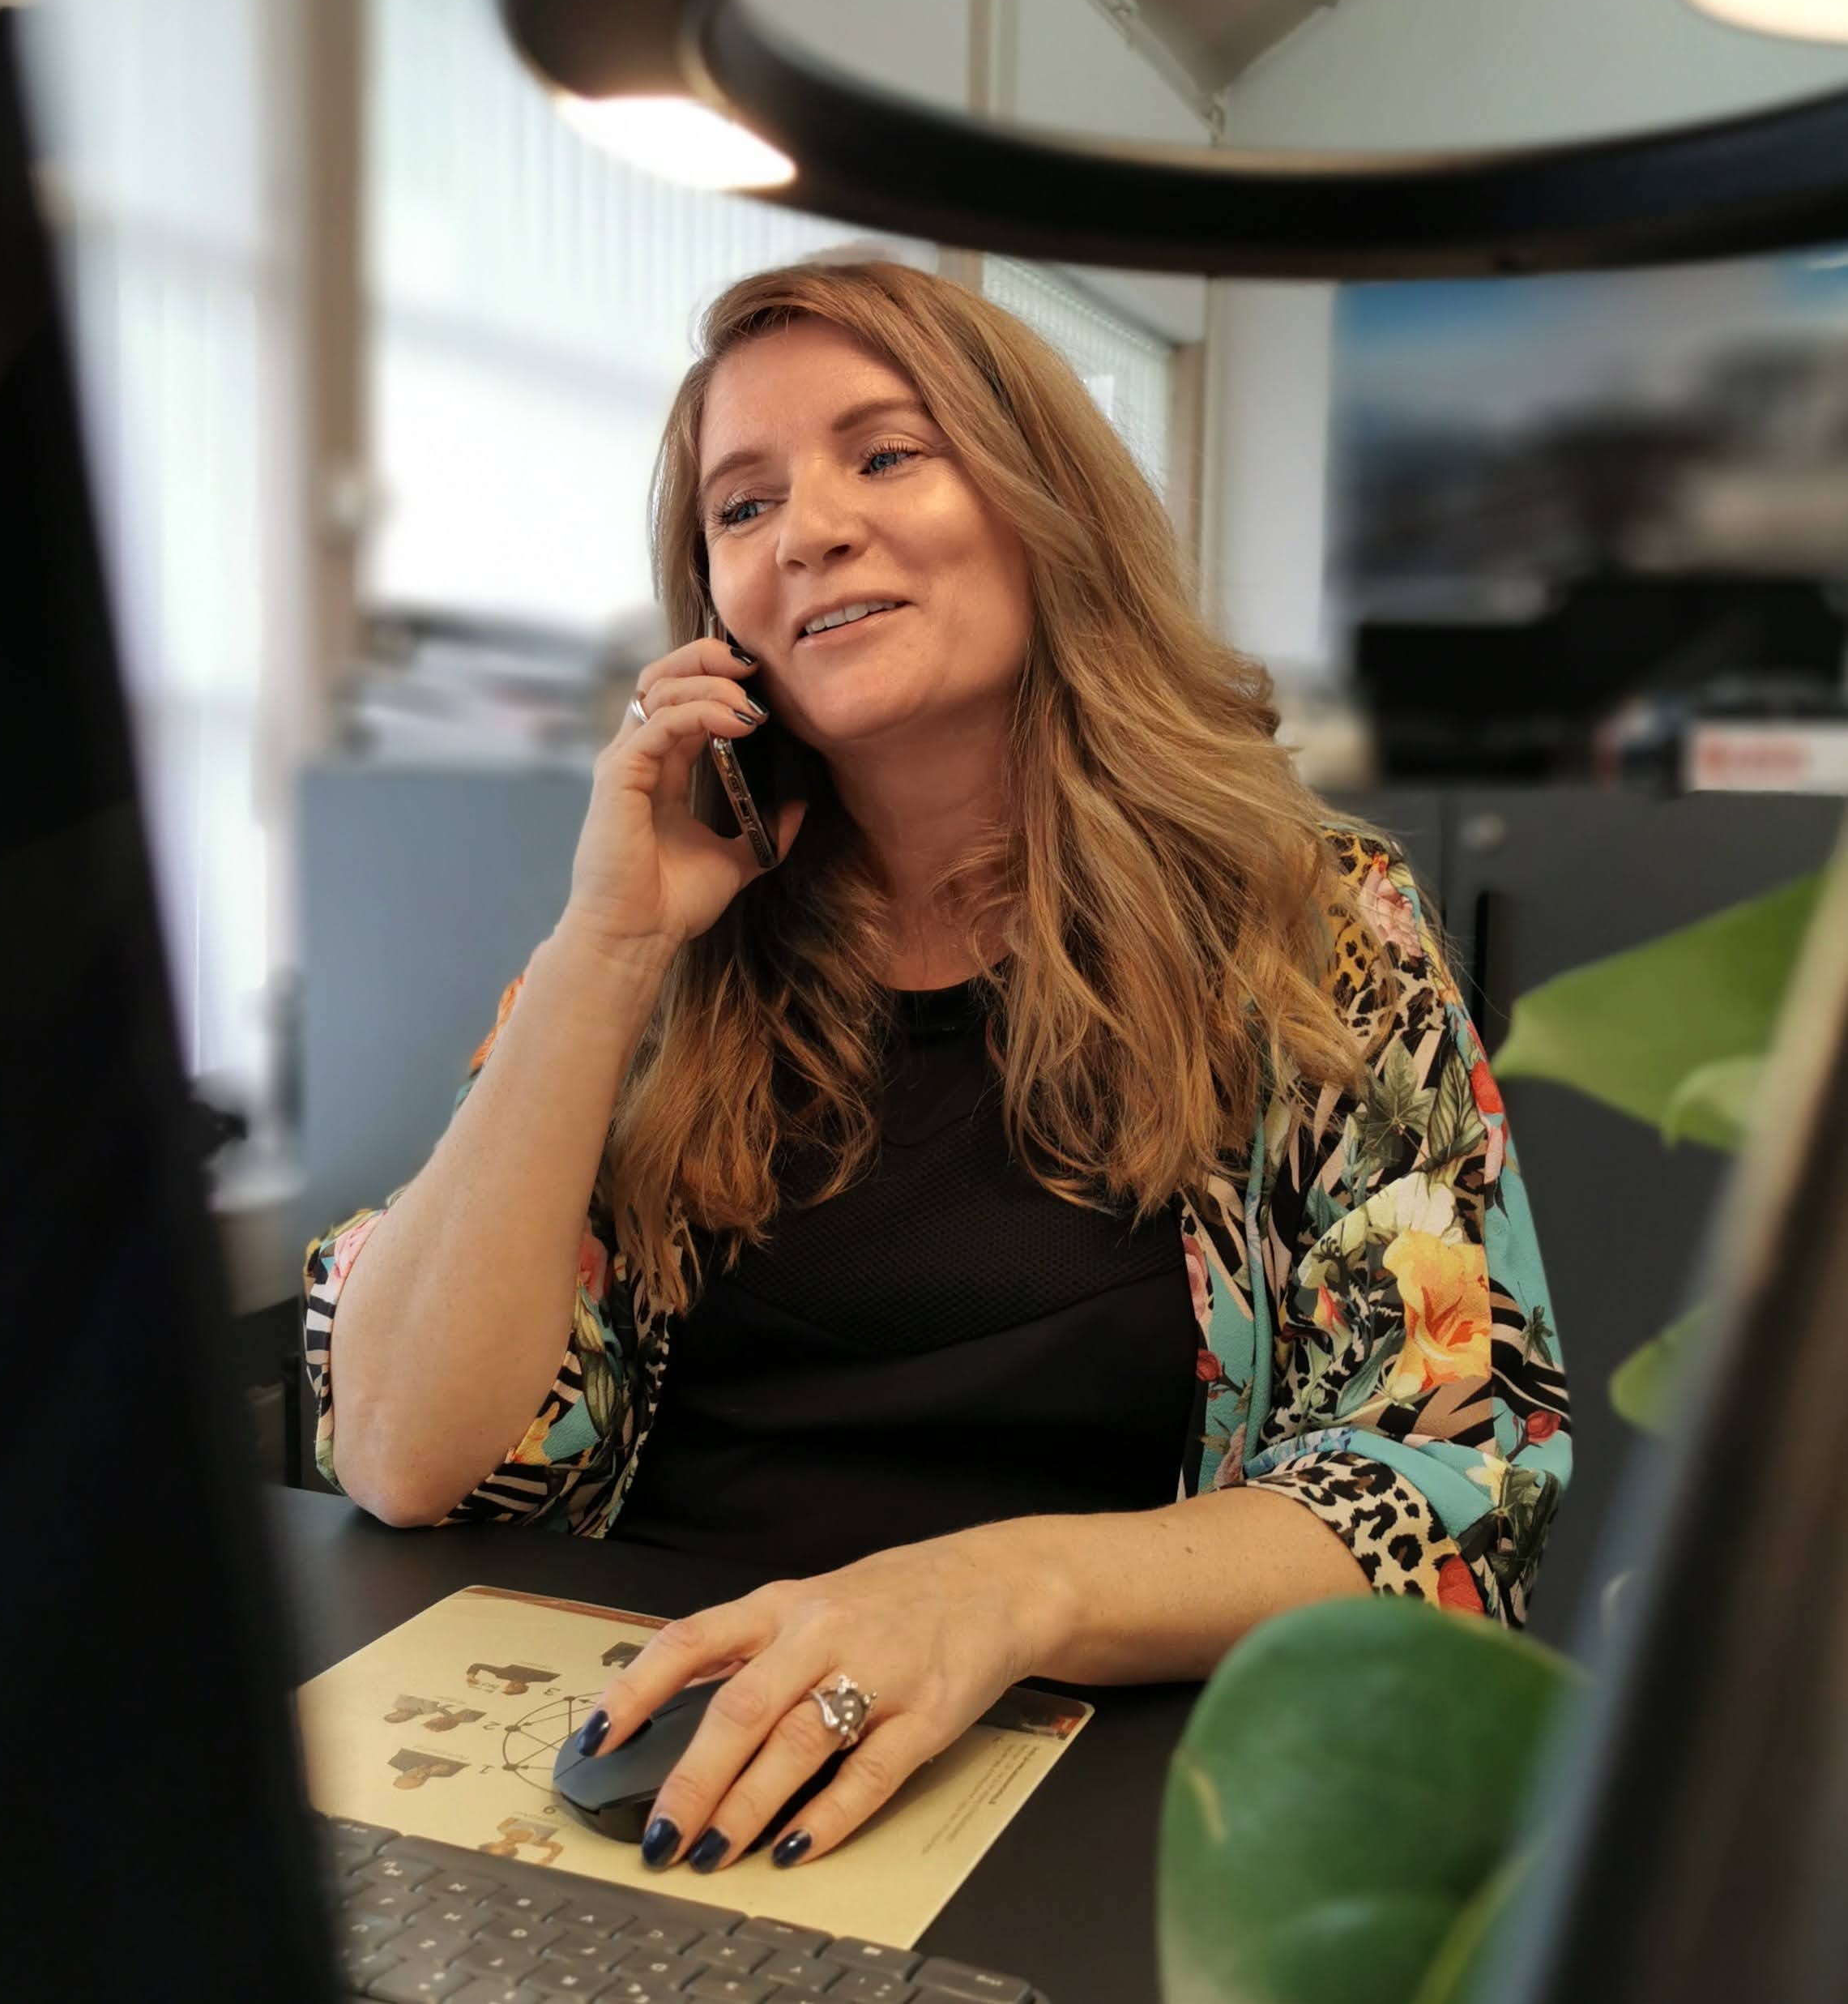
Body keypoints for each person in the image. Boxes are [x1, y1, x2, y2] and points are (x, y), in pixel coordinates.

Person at [303, 259, 1570, 1880]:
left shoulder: (1308, 923)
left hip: (1096, 1789)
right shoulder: (654, 957)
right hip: (662, 1766)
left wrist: (995, 1588)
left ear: (1044, 504)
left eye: (885, 453)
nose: (807, 530)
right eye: (742, 505)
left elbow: (1461, 1469)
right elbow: (401, 1449)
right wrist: (604, 950)